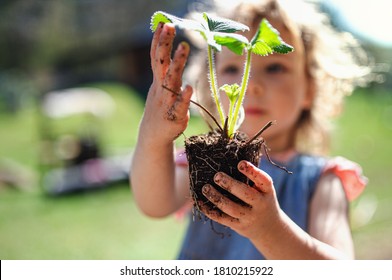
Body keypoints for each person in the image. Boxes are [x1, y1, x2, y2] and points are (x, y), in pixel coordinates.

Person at [130, 0, 370, 259]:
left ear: (310, 89)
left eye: (274, 67)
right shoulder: (201, 160)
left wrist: (269, 229)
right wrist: (154, 138)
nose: (251, 85)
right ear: (210, 82)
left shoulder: (322, 179)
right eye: (232, 68)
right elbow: (154, 203)